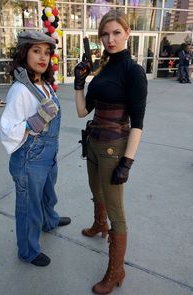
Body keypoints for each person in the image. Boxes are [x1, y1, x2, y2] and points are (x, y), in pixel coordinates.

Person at [74, 10, 147, 294]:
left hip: (114, 146)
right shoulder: (102, 69)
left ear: (127, 33)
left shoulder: (133, 71)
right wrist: (80, 82)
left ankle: (116, 271)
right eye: (105, 34)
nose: (110, 39)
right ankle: (98, 224)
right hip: (93, 140)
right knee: (96, 190)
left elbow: (138, 123)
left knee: (117, 210)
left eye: (116, 33)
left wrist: (127, 162)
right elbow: (82, 112)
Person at [0, 31, 71, 267]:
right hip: (30, 159)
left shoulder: (44, 84)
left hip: (48, 154)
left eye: (47, 52)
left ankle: (49, 220)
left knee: (48, 194)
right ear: (24, 53)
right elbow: (8, 129)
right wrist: (35, 121)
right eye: (36, 51)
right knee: (29, 207)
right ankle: (28, 250)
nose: (43, 57)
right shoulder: (20, 90)